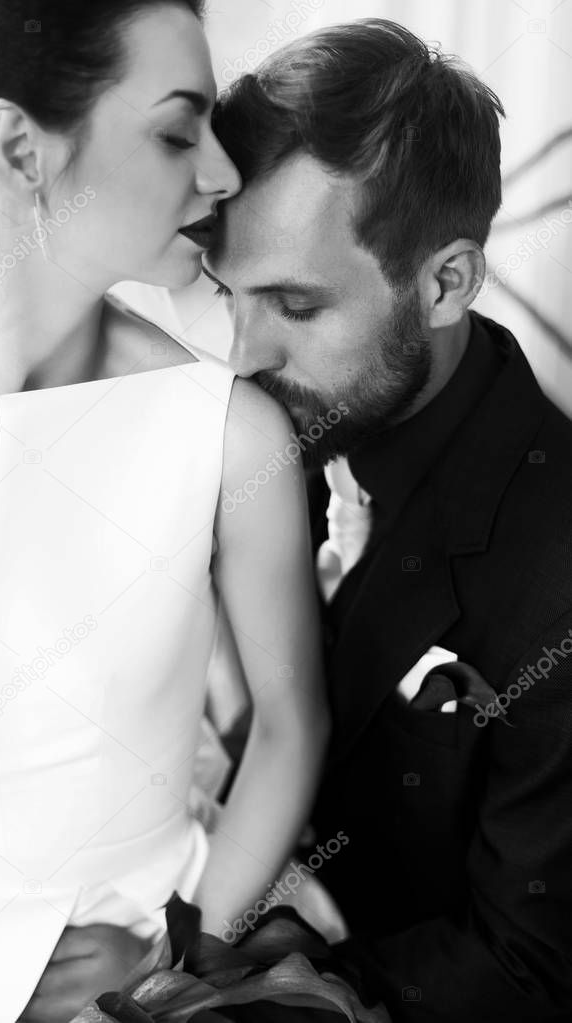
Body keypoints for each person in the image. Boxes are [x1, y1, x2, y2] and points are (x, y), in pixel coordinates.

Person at [0, 2, 329, 1020]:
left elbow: (289, 724)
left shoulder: (231, 437)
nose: (221, 175)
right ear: (16, 147)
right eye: (177, 131)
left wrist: (183, 956)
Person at [205, 18, 572, 1023]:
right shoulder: (250, 438)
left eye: (295, 303)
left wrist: (251, 984)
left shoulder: (555, 568)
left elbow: (529, 968)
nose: (237, 355)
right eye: (224, 291)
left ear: (445, 282)